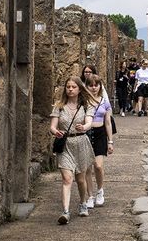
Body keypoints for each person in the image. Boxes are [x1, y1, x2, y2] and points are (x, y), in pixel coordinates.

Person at [49, 76, 97, 224]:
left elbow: (89, 122)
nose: (70, 89)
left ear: (79, 89)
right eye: (68, 87)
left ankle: (83, 203)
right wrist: (55, 131)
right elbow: (52, 126)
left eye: (73, 87)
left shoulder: (86, 105)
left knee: (81, 179)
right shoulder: (59, 106)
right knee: (67, 179)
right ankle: (65, 212)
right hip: (65, 144)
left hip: (81, 143)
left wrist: (84, 127)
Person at [84, 74, 114, 209]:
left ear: (100, 86)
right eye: (91, 85)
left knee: (98, 166)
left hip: (100, 133)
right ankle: (90, 196)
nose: (94, 87)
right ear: (87, 86)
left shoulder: (104, 102)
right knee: (87, 168)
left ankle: (100, 190)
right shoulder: (83, 102)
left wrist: (110, 141)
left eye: (96, 85)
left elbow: (108, 122)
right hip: (86, 134)